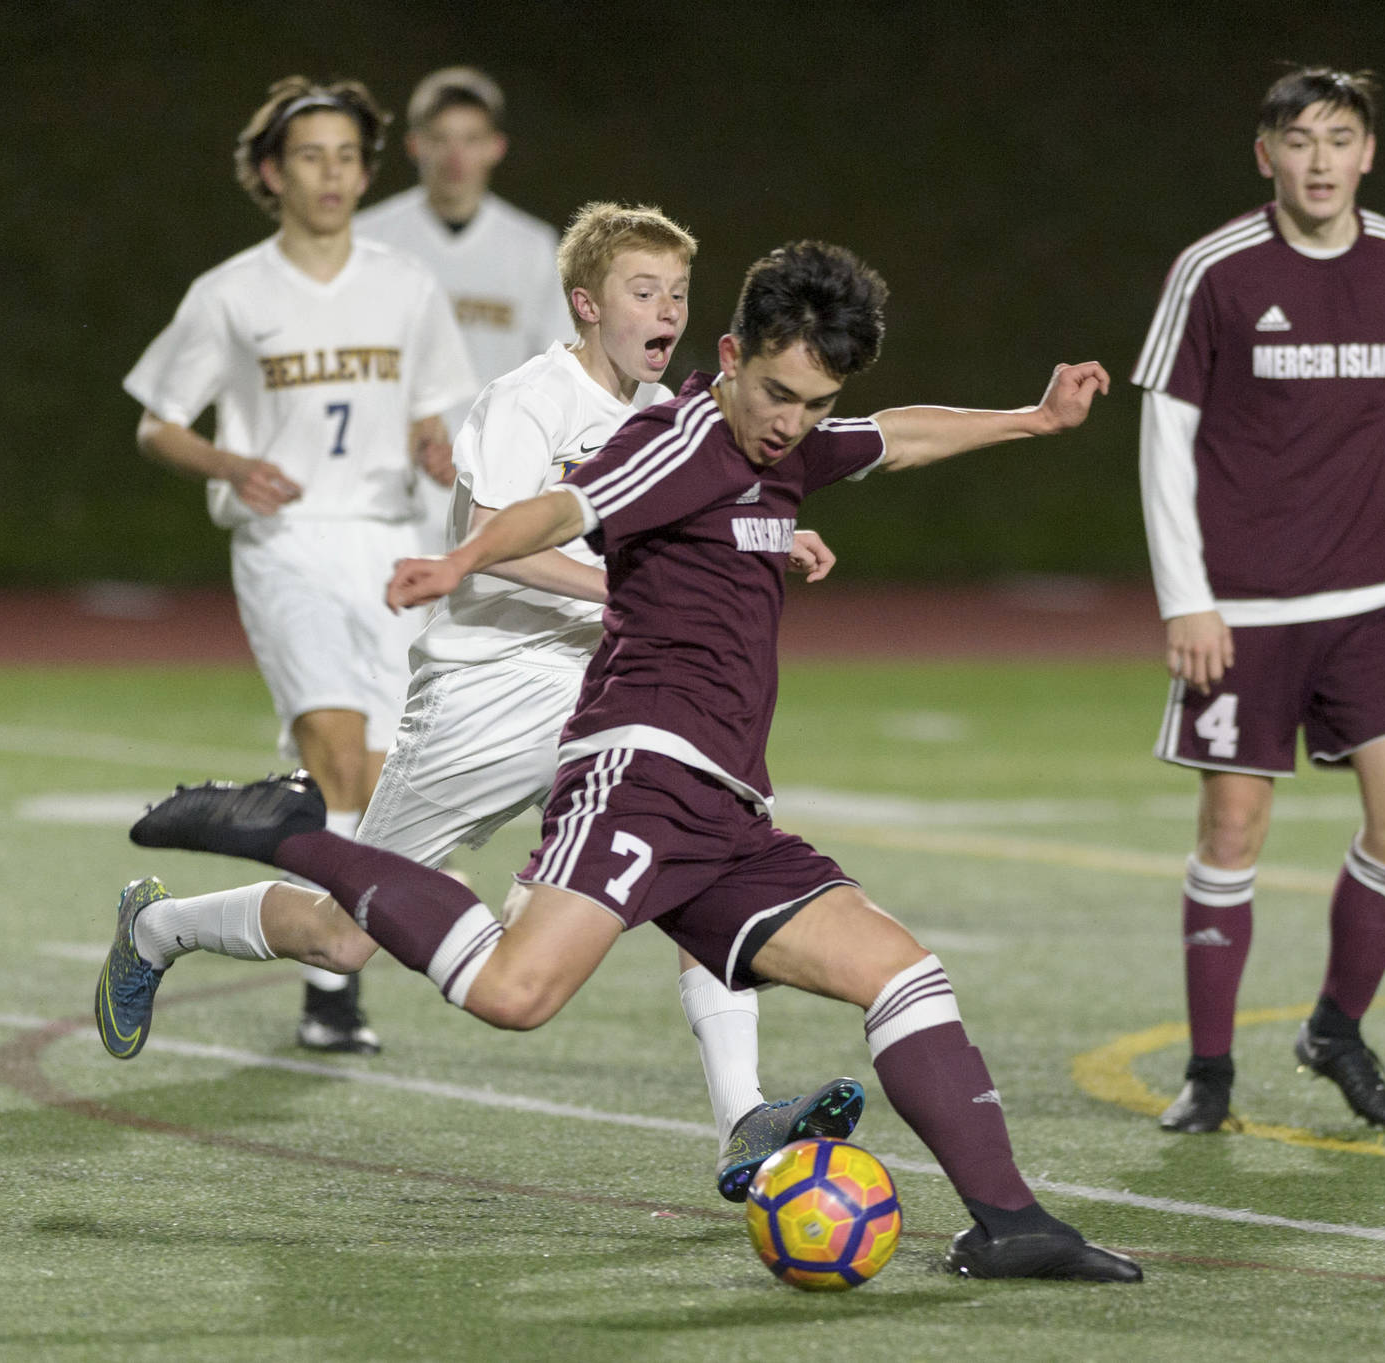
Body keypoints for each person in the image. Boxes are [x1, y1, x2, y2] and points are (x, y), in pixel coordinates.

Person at [108, 241, 1141, 1281]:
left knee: (903, 976)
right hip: (639, 769)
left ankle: (1008, 1222)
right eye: (776, 391)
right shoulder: (681, 435)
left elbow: (897, 436)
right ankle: (288, 831)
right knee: (514, 992)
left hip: (726, 813)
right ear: (730, 354)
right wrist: (461, 559)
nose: (791, 421)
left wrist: (1031, 418)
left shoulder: (787, 444)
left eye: (814, 404)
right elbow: (566, 508)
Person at [107, 201, 862, 1200]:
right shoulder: (525, 401)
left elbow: (723, 514)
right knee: (344, 932)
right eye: (644, 290)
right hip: (488, 690)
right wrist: (629, 586)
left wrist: (766, 542)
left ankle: (739, 1118)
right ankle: (159, 929)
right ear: (588, 304)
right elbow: (499, 542)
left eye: (679, 292)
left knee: (698, 857)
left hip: (613, 697)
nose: (666, 309)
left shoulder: (689, 414)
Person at [122, 77, 476, 1056]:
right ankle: (333, 993)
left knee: (380, 778)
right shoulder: (231, 293)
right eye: (310, 156)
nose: (331, 174)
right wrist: (230, 461)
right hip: (285, 542)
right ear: (273, 172)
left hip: (388, 540)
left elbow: (431, 413)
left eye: (347, 157)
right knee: (335, 747)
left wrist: (435, 450)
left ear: (367, 172)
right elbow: (158, 425)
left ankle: (319, 967)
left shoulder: (405, 285)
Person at [1132, 67, 1385, 1134]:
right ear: (1263, 155)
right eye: (1297, 140)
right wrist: (1187, 596)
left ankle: (1334, 1028)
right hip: (1242, 604)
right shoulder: (1213, 270)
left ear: (1368, 152)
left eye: (1339, 138)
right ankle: (1209, 1071)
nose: (1319, 160)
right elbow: (1164, 434)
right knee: (1232, 827)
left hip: (1368, 592)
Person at [355, 67, 578, 552]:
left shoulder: (531, 246)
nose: (456, 157)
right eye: (441, 139)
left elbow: (560, 366)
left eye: (471, 139)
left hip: (497, 484)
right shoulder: (370, 239)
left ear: (496, 146)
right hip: (391, 485)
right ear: (415, 145)